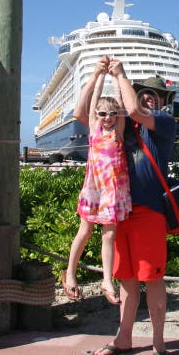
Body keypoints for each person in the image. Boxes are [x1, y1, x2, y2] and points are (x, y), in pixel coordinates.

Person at [93, 58, 176, 355]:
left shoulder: (164, 123)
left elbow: (132, 110)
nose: (148, 96)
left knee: (152, 278)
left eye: (155, 94)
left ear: (164, 100)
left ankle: (158, 341)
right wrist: (101, 75)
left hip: (149, 212)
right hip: (120, 212)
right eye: (143, 92)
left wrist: (120, 74)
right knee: (127, 280)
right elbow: (90, 115)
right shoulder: (125, 127)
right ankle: (123, 338)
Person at [62, 55, 131, 305]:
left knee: (109, 235)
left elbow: (121, 105)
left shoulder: (118, 132)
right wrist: (99, 74)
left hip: (113, 189)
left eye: (112, 114)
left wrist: (116, 76)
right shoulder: (94, 129)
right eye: (103, 113)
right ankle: (70, 273)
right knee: (85, 230)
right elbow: (91, 105)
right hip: (95, 188)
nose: (107, 117)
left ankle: (107, 279)